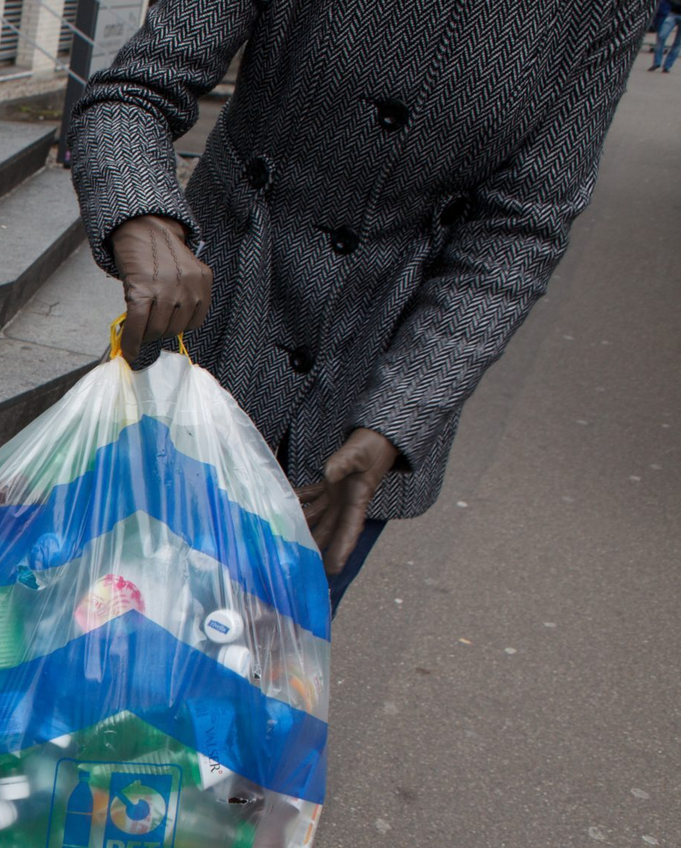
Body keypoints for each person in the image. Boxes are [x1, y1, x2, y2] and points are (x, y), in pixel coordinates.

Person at [67, 0, 645, 610]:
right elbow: (135, 90)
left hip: (366, 402)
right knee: (87, 634)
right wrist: (143, 212)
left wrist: (402, 413)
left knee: (257, 673)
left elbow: (523, 226)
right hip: (208, 342)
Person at [655, 0, 679, 73]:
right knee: (662, 36)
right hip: (672, 13)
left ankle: (667, 66)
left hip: (673, 12)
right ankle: (657, 62)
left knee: (678, 43)